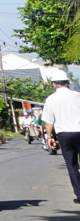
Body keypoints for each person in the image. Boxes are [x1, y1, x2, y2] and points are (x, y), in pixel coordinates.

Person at [41, 67, 80, 203]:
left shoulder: (51, 99)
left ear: (53, 84)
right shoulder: (78, 95)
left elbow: (49, 122)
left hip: (64, 135)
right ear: (68, 83)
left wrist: (50, 137)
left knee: (72, 164)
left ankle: (79, 195)